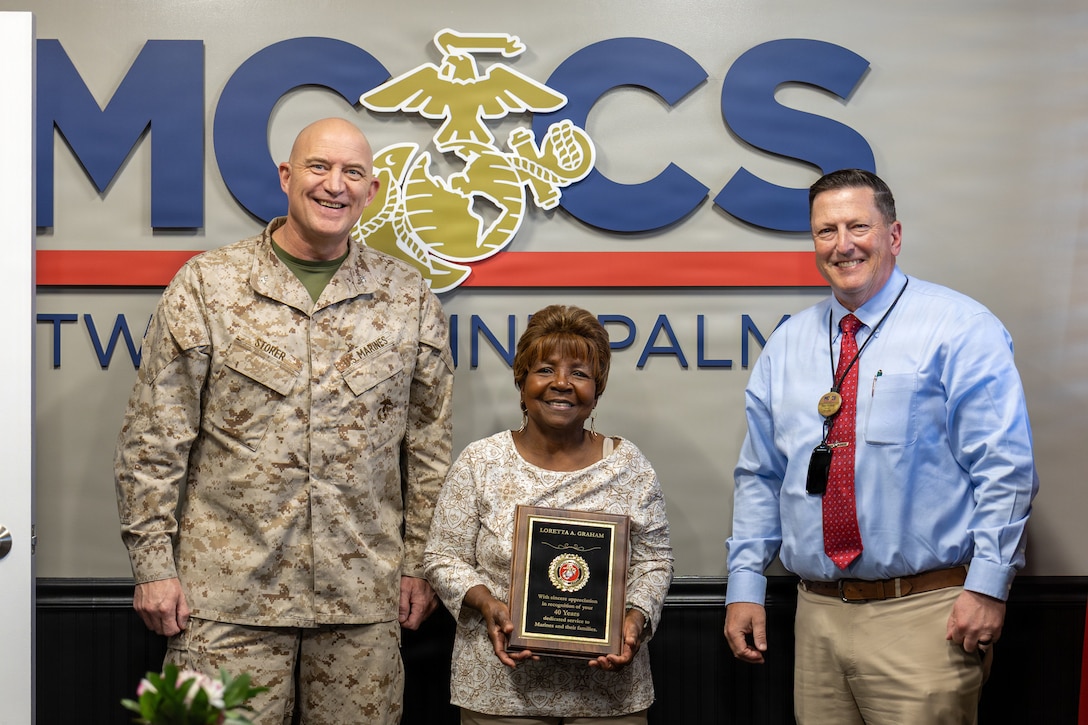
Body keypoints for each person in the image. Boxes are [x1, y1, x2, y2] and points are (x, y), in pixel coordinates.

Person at [115, 117, 454, 724]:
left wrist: (417, 564)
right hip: (224, 599)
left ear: (372, 191)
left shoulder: (409, 298)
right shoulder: (208, 287)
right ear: (287, 176)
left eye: (353, 173)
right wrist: (152, 567)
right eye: (319, 167)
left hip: (362, 602)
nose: (335, 185)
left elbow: (428, 446)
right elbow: (153, 439)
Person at [724, 168, 1038, 724]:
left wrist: (989, 586)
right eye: (826, 231)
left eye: (858, 226)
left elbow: (1005, 468)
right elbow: (761, 476)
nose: (843, 245)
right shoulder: (788, 344)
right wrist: (745, 584)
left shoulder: (959, 328)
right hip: (816, 614)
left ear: (893, 236)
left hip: (926, 614)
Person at [424, 304, 674, 725]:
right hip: (500, 689)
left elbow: (655, 559)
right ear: (521, 381)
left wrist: (635, 618)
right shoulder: (481, 462)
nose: (561, 384)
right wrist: (487, 603)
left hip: (608, 692)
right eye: (545, 370)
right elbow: (442, 557)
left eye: (579, 373)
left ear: (598, 390)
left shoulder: (629, 464)